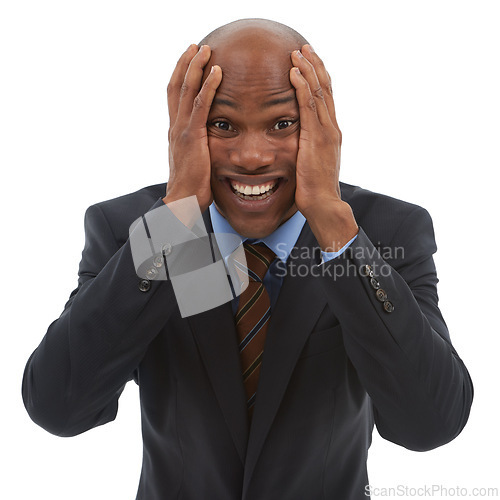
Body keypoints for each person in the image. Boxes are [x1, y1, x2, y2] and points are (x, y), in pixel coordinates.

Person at [22, 18, 473, 500]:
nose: (253, 155)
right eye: (222, 124)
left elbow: (429, 425)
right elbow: (59, 409)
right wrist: (176, 222)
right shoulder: (137, 231)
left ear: (323, 129)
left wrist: (336, 230)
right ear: (183, 129)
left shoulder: (383, 233)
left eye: (283, 124)